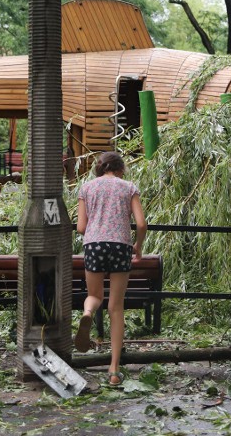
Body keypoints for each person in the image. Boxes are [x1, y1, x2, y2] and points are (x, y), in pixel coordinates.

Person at [75, 151, 147, 386]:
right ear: (121, 168)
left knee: (94, 295)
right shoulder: (128, 187)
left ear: (100, 168)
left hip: (94, 244)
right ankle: (114, 370)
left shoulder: (87, 188)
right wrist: (138, 246)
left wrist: (98, 231)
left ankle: (87, 314)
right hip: (120, 246)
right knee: (116, 307)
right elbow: (141, 224)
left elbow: (81, 227)